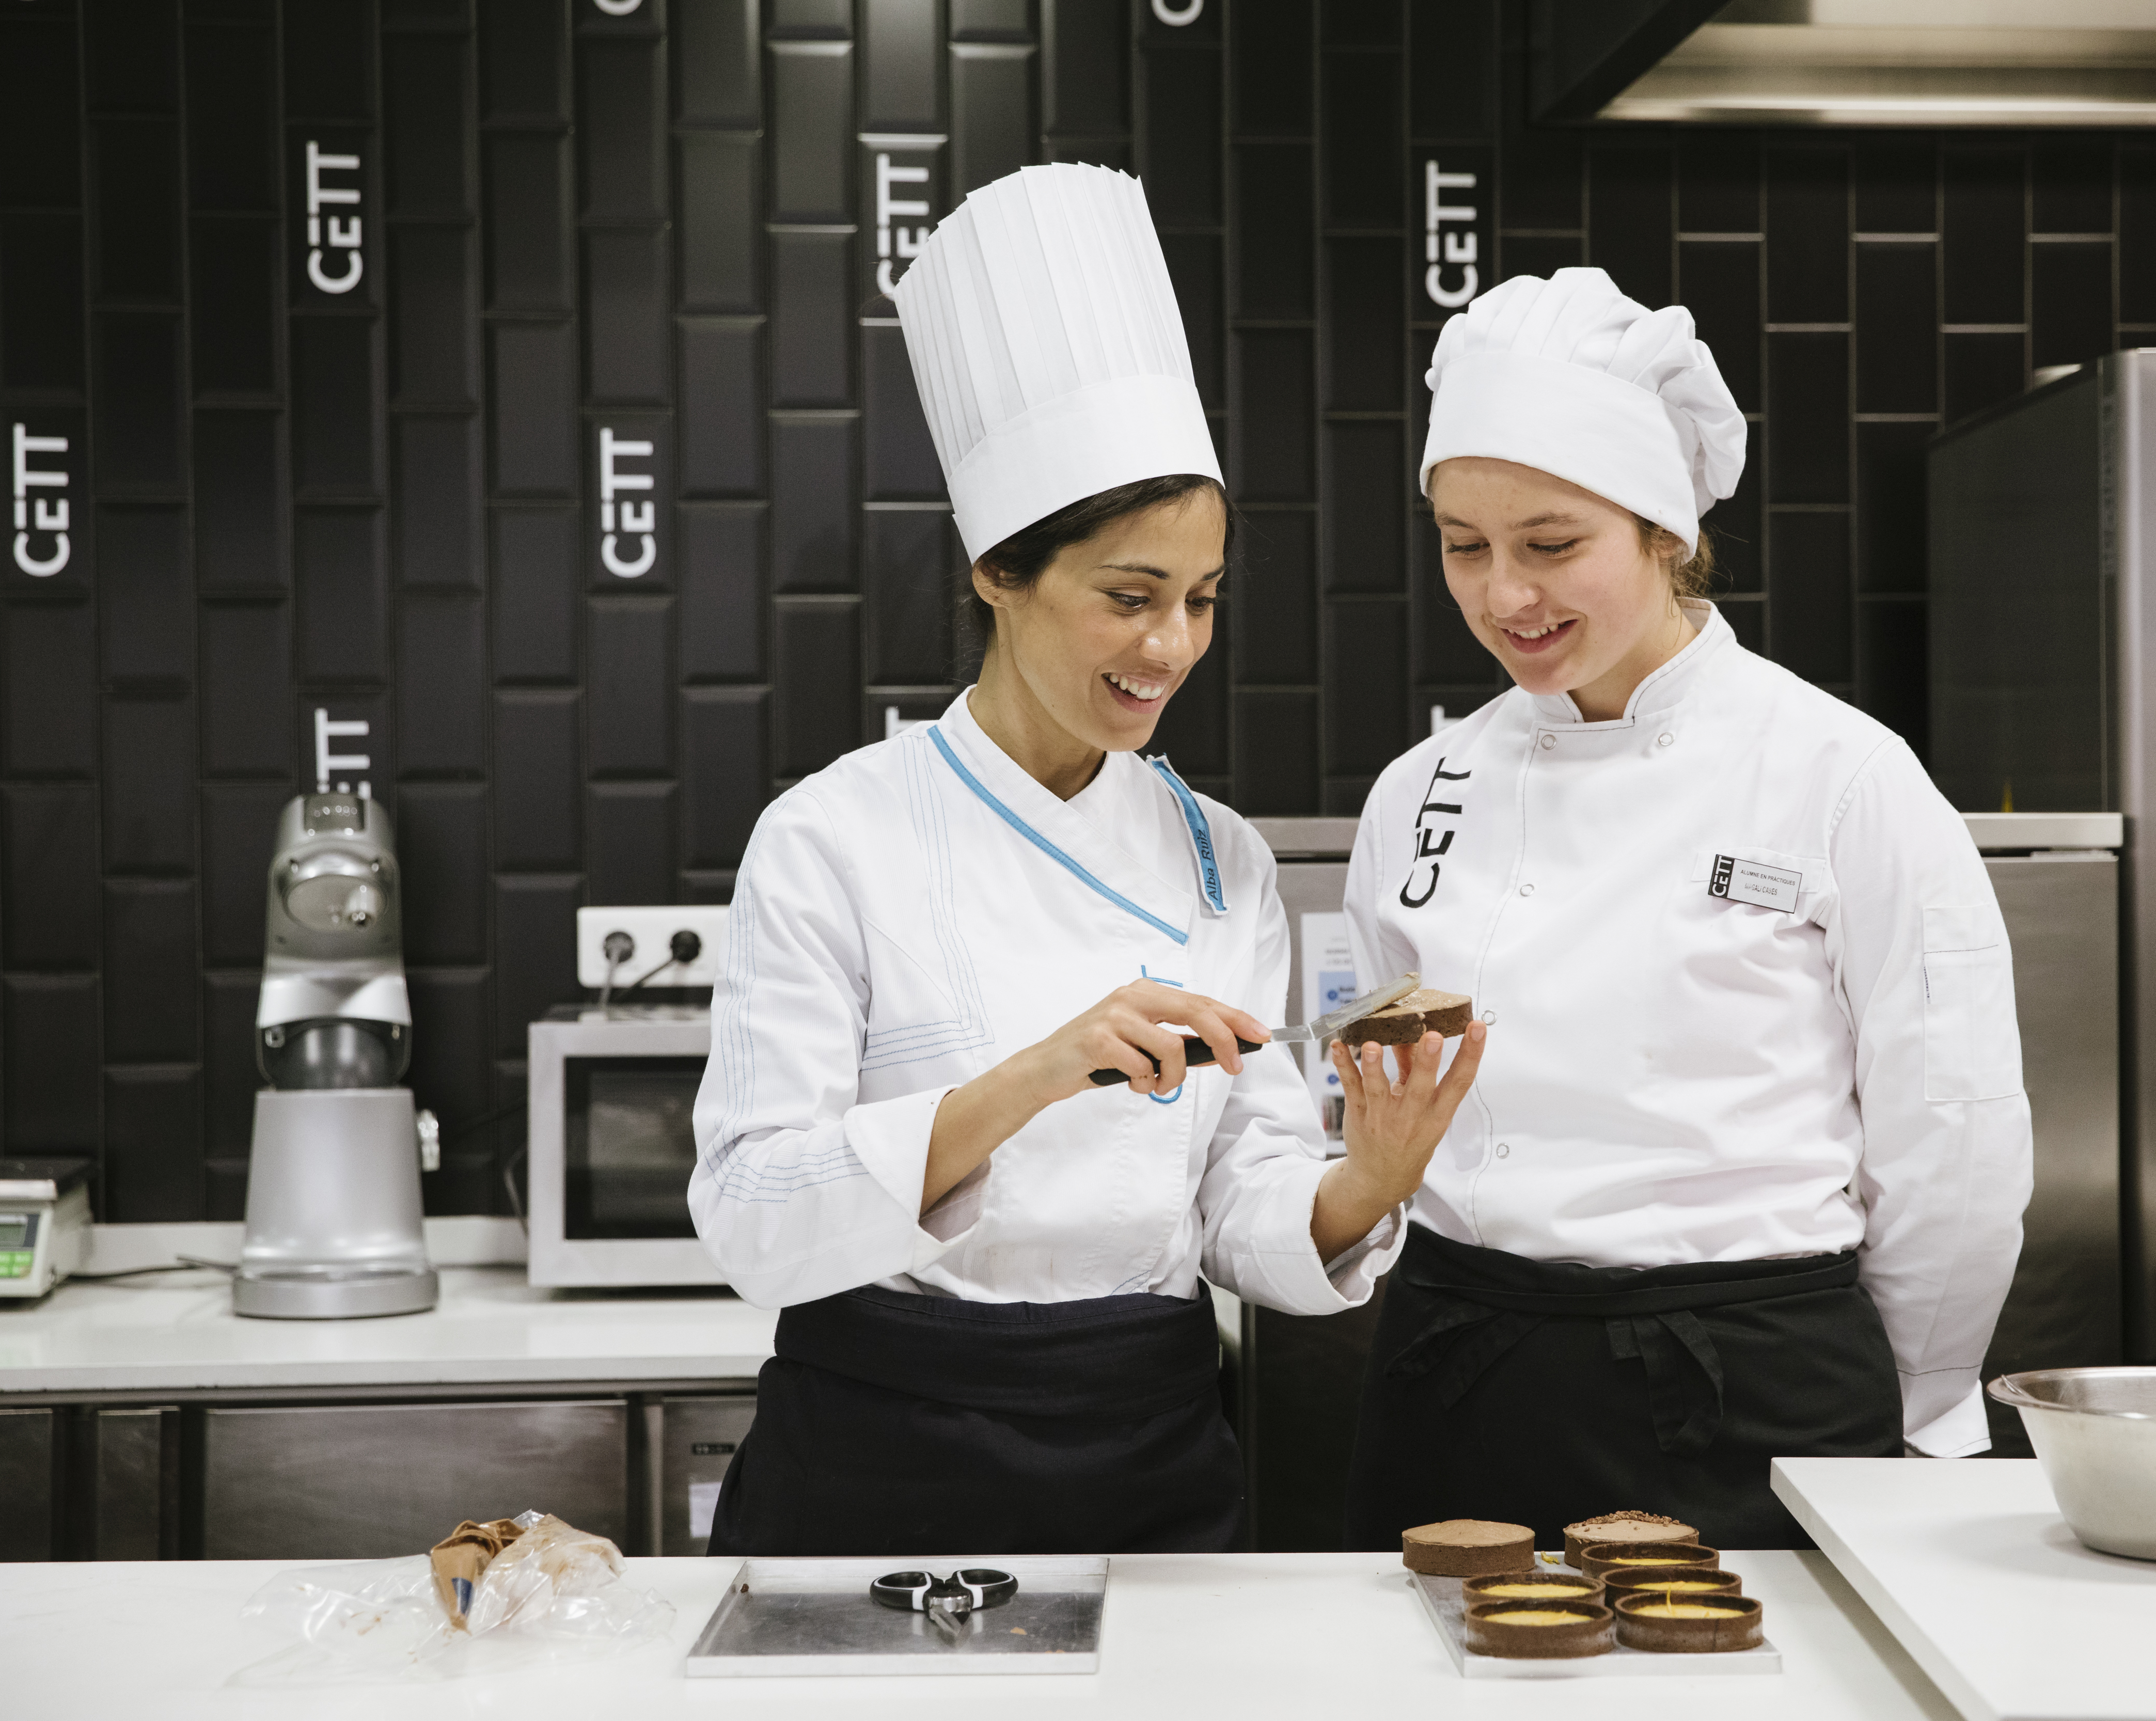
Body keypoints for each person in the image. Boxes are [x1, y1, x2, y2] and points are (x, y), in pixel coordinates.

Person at [691, 164, 1484, 1558]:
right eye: (1128, 596)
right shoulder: (834, 838)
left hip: (1151, 1453)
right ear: (999, 570)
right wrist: (1034, 1073)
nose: (1170, 647)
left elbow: (1244, 1193)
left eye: (1201, 599)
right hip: (880, 1448)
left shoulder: (1218, 856)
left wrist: (1368, 1180)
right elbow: (753, 1218)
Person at [1341, 267, 2031, 1552]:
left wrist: (1924, 1414)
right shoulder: (1421, 788)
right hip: (1454, 1371)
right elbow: (1381, 1099)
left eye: (1552, 545)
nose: (1504, 597)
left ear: (1666, 530)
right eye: (1462, 544)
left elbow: (1955, 1146)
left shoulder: (1839, 776)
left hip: (1750, 1386)